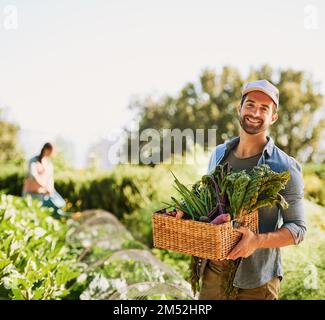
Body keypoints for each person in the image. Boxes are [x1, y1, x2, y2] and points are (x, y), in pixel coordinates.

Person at [197, 80, 307, 300]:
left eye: (264, 108)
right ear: (240, 108)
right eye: (250, 104)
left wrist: (257, 241)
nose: (255, 112)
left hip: (257, 281)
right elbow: (208, 204)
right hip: (213, 273)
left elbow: (298, 229)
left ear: (273, 117)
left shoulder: (285, 167)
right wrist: (186, 213)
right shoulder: (219, 154)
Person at [22, 142, 67, 218]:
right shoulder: (33, 161)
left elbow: (50, 178)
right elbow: (33, 176)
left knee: (40, 215)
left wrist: (51, 189)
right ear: (46, 149)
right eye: (51, 151)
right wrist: (44, 187)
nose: (51, 154)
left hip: (41, 194)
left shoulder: (48, 163)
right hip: (31, 193)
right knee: (29, 214)